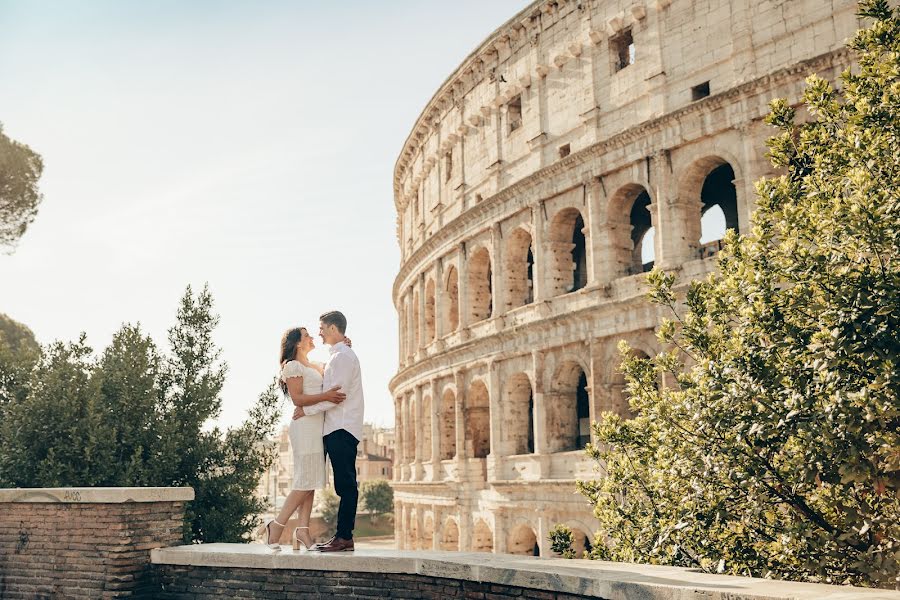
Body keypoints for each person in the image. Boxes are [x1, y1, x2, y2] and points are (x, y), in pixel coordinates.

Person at [257, 326, 346, 551]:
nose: (312, 337)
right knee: (305, 479)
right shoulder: (293, 366)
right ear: (297, 342)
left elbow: (335, 365)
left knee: (312, 479)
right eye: (307, 335)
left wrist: (345, 346)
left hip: (317, 426)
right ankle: (275, 528)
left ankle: (303, 530)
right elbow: (297, 399)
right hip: (304, 426)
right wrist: (326, 396)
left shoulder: (313, 365)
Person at [293, 310, 364, 552]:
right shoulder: (339, 355)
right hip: (336, 426)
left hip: (341, 426)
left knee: (346, 484)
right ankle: (343, 536)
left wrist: (306, 410)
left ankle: (345, 537)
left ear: (333, 329)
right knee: (344, 484)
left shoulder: (342, 357)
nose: (319, 333)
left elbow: (337, 396)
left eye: (322, 328)